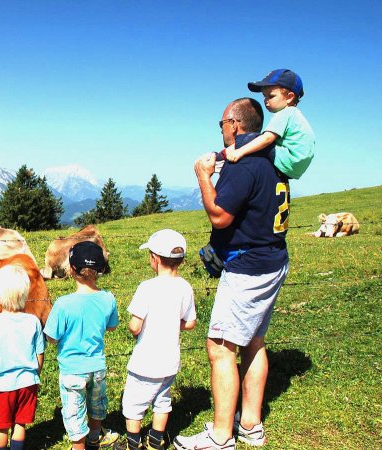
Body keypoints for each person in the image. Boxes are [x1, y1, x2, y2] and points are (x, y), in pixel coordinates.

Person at [174, 98, 290, 450]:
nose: (221, 130)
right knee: (253, 341)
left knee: (221, 347)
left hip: (246, 268)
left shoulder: (244, 164)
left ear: (235, 125)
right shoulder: (273, 160)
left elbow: (220, 215)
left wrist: (203, 177)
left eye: (222, 123)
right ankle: (251, 424)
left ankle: (221, 436)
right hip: (272, 260)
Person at [122, 229, 196, 450]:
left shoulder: (147, 288)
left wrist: (134, 327)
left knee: (133, 405)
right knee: (163, 401)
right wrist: (174, 323)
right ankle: (156, 441)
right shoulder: (185, 287)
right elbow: (190, 322)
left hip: (145, 362)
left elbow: (135, 327)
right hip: (170, 362)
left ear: (154, 259)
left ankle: (132, 444)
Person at [42, 241, 120, 450]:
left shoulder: (63, 304)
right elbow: (111, 327)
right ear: (101, 269)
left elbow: (51, 337)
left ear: (71, 269)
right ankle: (95, 436)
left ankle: (79, 446)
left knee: (74, 413)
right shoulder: (108, 298)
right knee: (96, 405)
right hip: (97, 366)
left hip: (72, 370)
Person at [0, 265, 45, 450]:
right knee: (20, 423)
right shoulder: (33, 321)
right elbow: (40, 354)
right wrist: (35, 374)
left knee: (0, 427)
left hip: (2, 385)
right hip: (28, 382)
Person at [220, 69, 315, 180]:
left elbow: (267, 139)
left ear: (289, 97)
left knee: (250, 137)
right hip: (297, 167)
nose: (266, 101)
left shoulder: (284, 113)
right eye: (265, 96)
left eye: (271, 96)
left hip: (288, 159)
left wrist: (239, 152)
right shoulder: (296, 115)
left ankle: (221, 157)